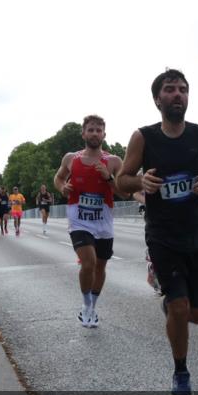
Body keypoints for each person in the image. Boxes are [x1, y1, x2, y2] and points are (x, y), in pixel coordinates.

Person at [117, 68, 198, 395]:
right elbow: (121, 181)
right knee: (181, 308)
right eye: (170, 89)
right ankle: (181, 372)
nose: (177, 94)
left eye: (182, 89)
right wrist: (141, 182)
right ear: (157, 99)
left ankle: (172, 305)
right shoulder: (144, 137)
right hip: (163, 236)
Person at [54, 115, 121, 329]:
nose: (94, 133)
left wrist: (109, 179)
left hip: (103, 221)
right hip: (79, 219)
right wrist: (63, 188)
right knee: (89, 262)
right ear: (83, 133)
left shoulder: (113, 161)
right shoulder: (71, 159)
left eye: (98, 130)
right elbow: (58, 178)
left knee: (100, 266)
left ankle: (92, 306)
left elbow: (124, 190)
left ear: (104, 134)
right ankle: (85, 306)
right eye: (90, 130)